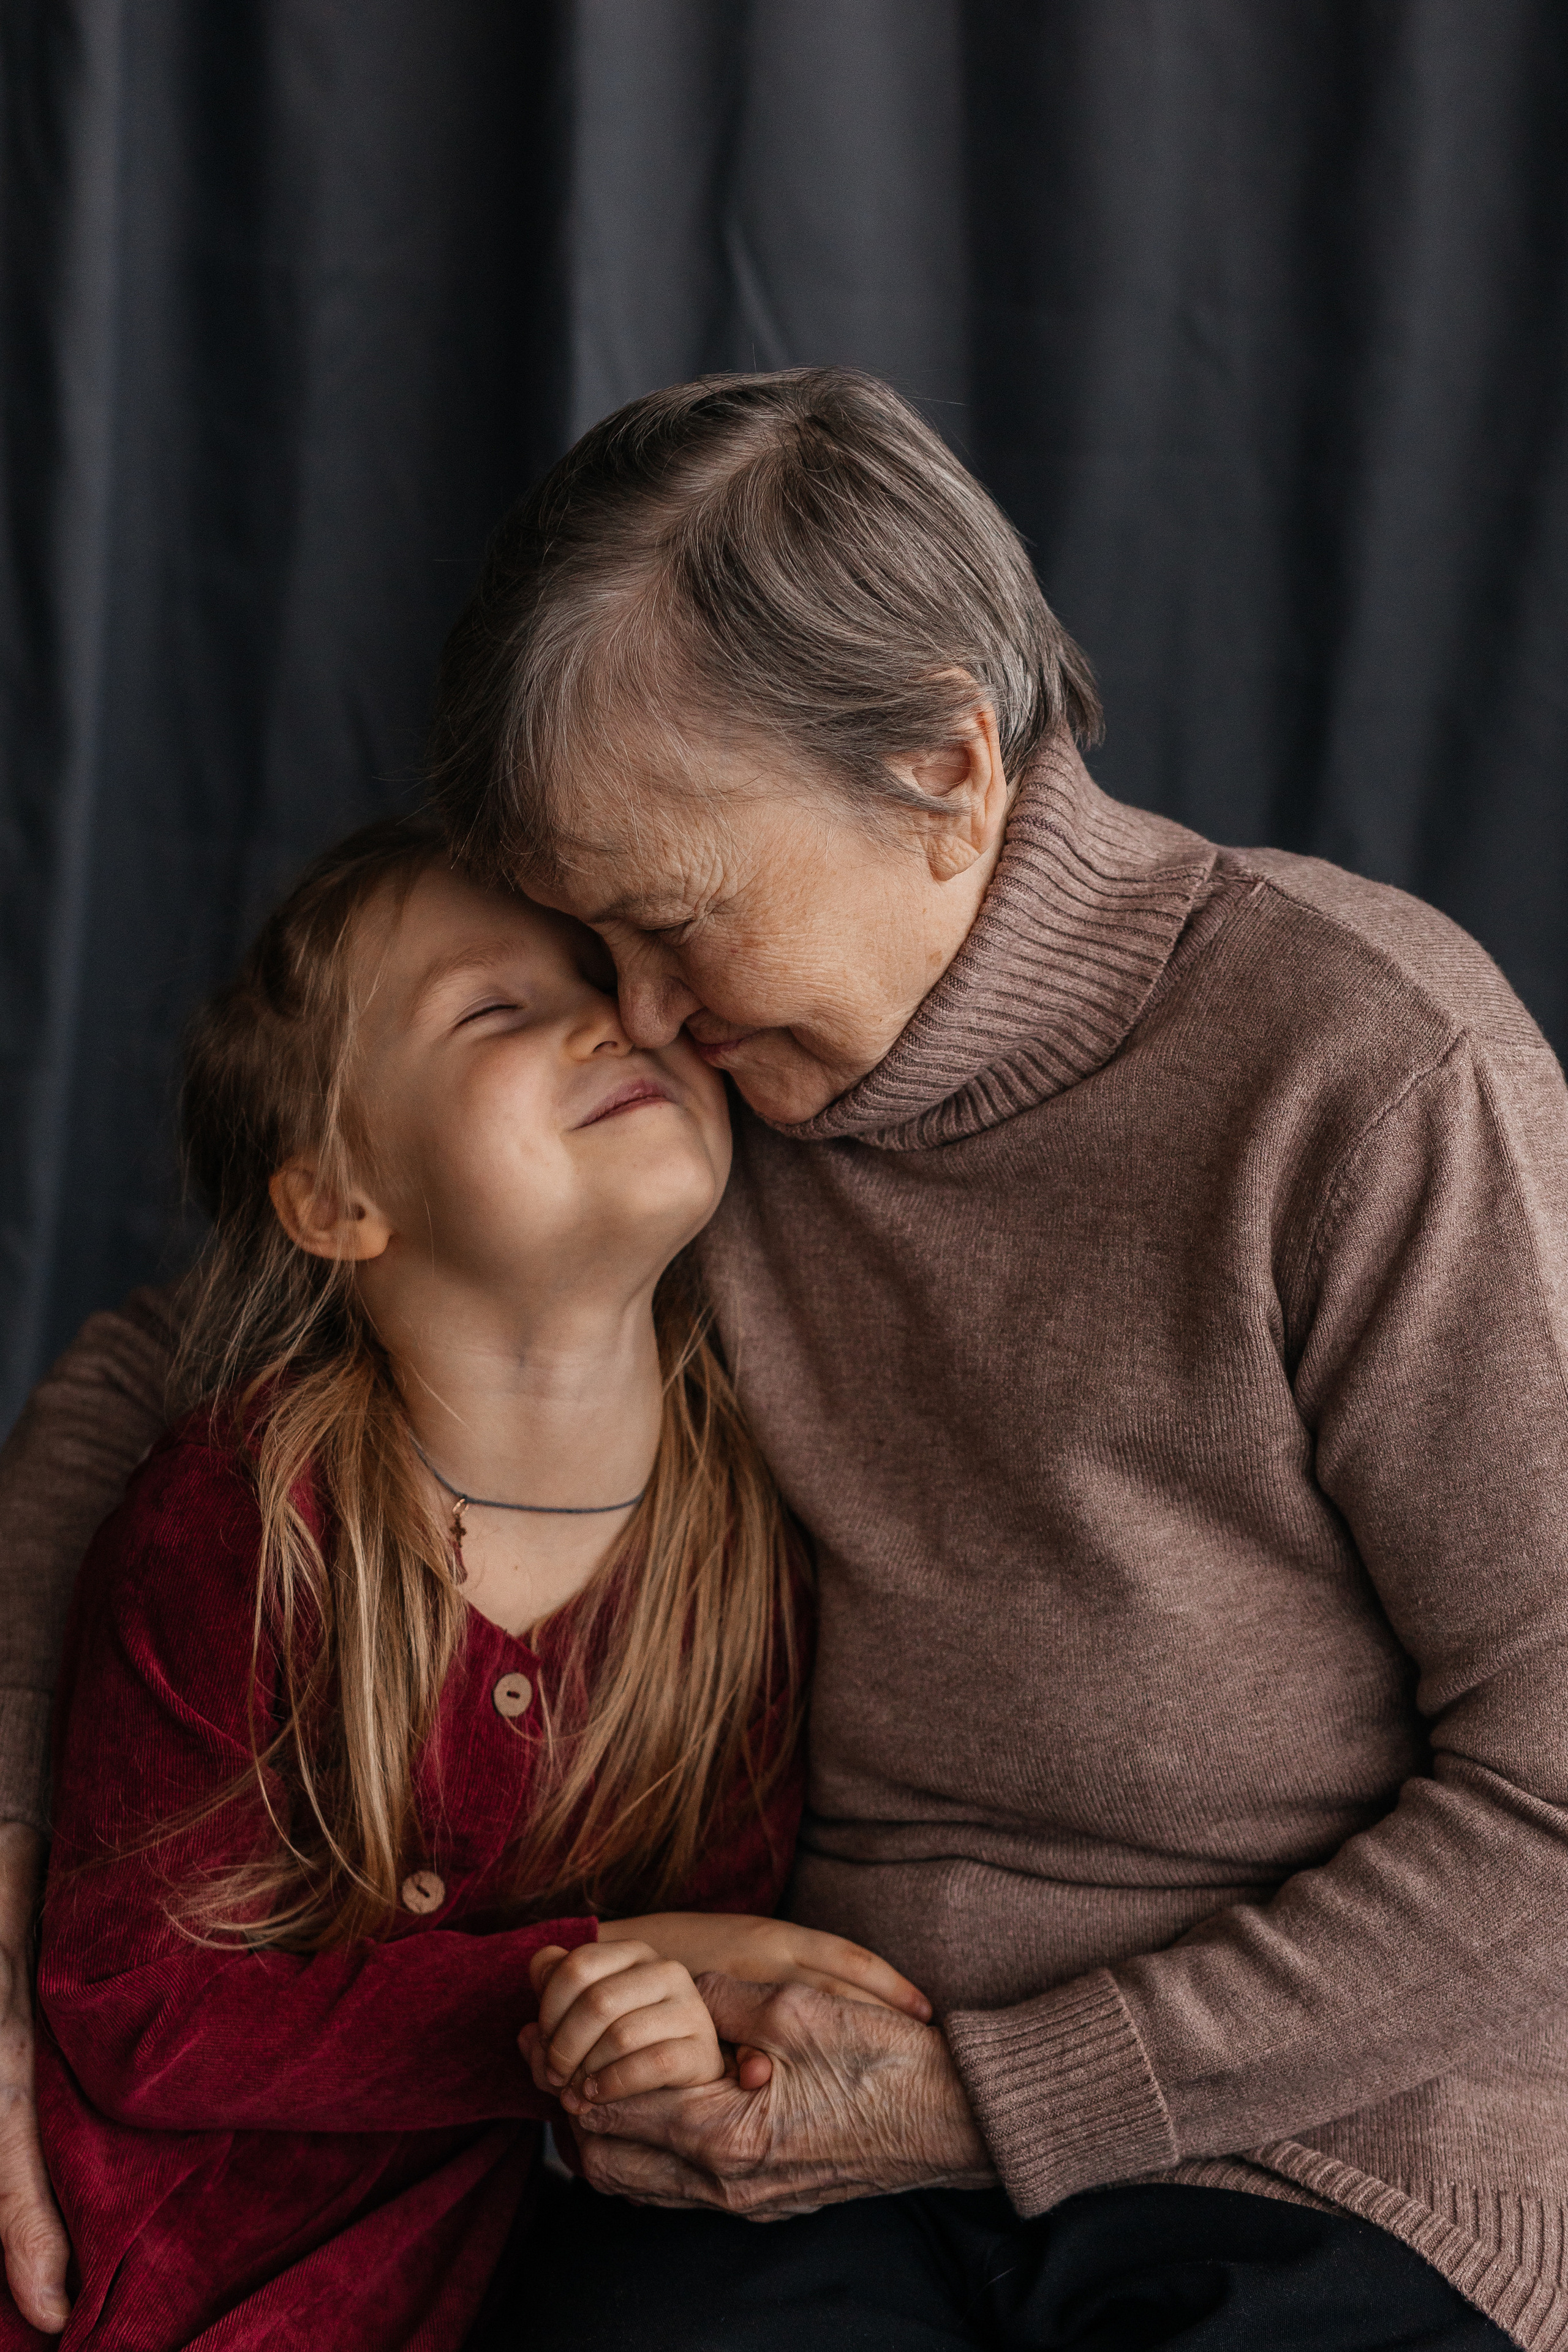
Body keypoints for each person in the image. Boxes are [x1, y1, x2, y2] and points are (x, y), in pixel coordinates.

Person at [1, 366, 1564, 2346]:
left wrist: (988, 2104)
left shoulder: (1371, 1077)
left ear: (947, 776)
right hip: (798, 2142)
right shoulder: (714, 1117)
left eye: (669, 924)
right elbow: (175, 1368)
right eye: (584, 950)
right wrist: (8, 1886)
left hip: (1327, 2147)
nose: (639, 1018)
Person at [0, 812, 922, 2348]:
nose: (606, 1021)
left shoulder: (740, 1565)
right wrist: (569, 1987)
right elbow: (126, 2010)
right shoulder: (245, 1517)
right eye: (495, 1009)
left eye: (606, 980)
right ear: (339, 1204)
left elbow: (702, 1974)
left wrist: (656, 2031)